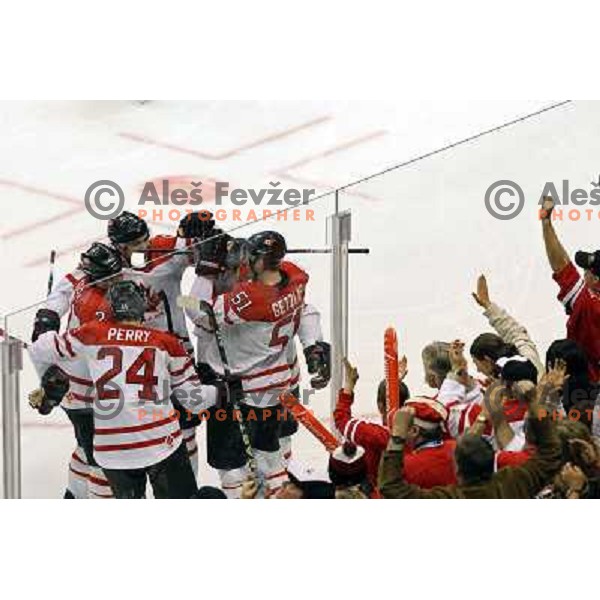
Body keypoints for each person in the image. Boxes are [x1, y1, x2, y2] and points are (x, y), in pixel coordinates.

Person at [28, 280, 225, 499]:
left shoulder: (91, 333)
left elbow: (39, 349)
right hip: (161, 442)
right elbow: (192, 400)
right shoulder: (166, 342)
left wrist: (47, 328)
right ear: (142, 308)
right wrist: (221, 391)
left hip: (111, 448)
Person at [185, 230, 330, 497]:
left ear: (260, 262)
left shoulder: (248, 299)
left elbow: (194, 308)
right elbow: (305, 310)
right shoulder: (293, 277)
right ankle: (280, 492)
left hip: (242, 391)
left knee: (233, 467)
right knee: (276, 451)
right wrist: (315, 344)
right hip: (283, 383)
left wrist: (205, 271)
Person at [379, 361, 567, 499]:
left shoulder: (448, 497)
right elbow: (550, 454)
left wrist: (396, 437)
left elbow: (391, 488)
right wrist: (536, 402)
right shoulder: (515, 481)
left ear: (457, 468)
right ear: (494, 459)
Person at [29, 242, 123, 499]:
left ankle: (72, 498)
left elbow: (60, 294)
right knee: (101, 457)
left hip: (81, 385)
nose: (117, 278)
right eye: (110, 276)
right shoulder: (99, 308)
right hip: (87, 391)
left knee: (85, 448)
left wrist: (46, 319)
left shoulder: (87, 279)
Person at [540, 195, 600, 382]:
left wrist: (546, 223)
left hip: (584, 390)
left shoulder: (588, 303)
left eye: (587, 271)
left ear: (596, 278)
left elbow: (562, 266)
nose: (583, 275)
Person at [471, 274, 544, 377]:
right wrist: (488, 306)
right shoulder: (526, 354)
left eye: (476, 363)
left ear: (487, 361)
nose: (478, 370)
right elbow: (515, 333)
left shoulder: (506, 388)